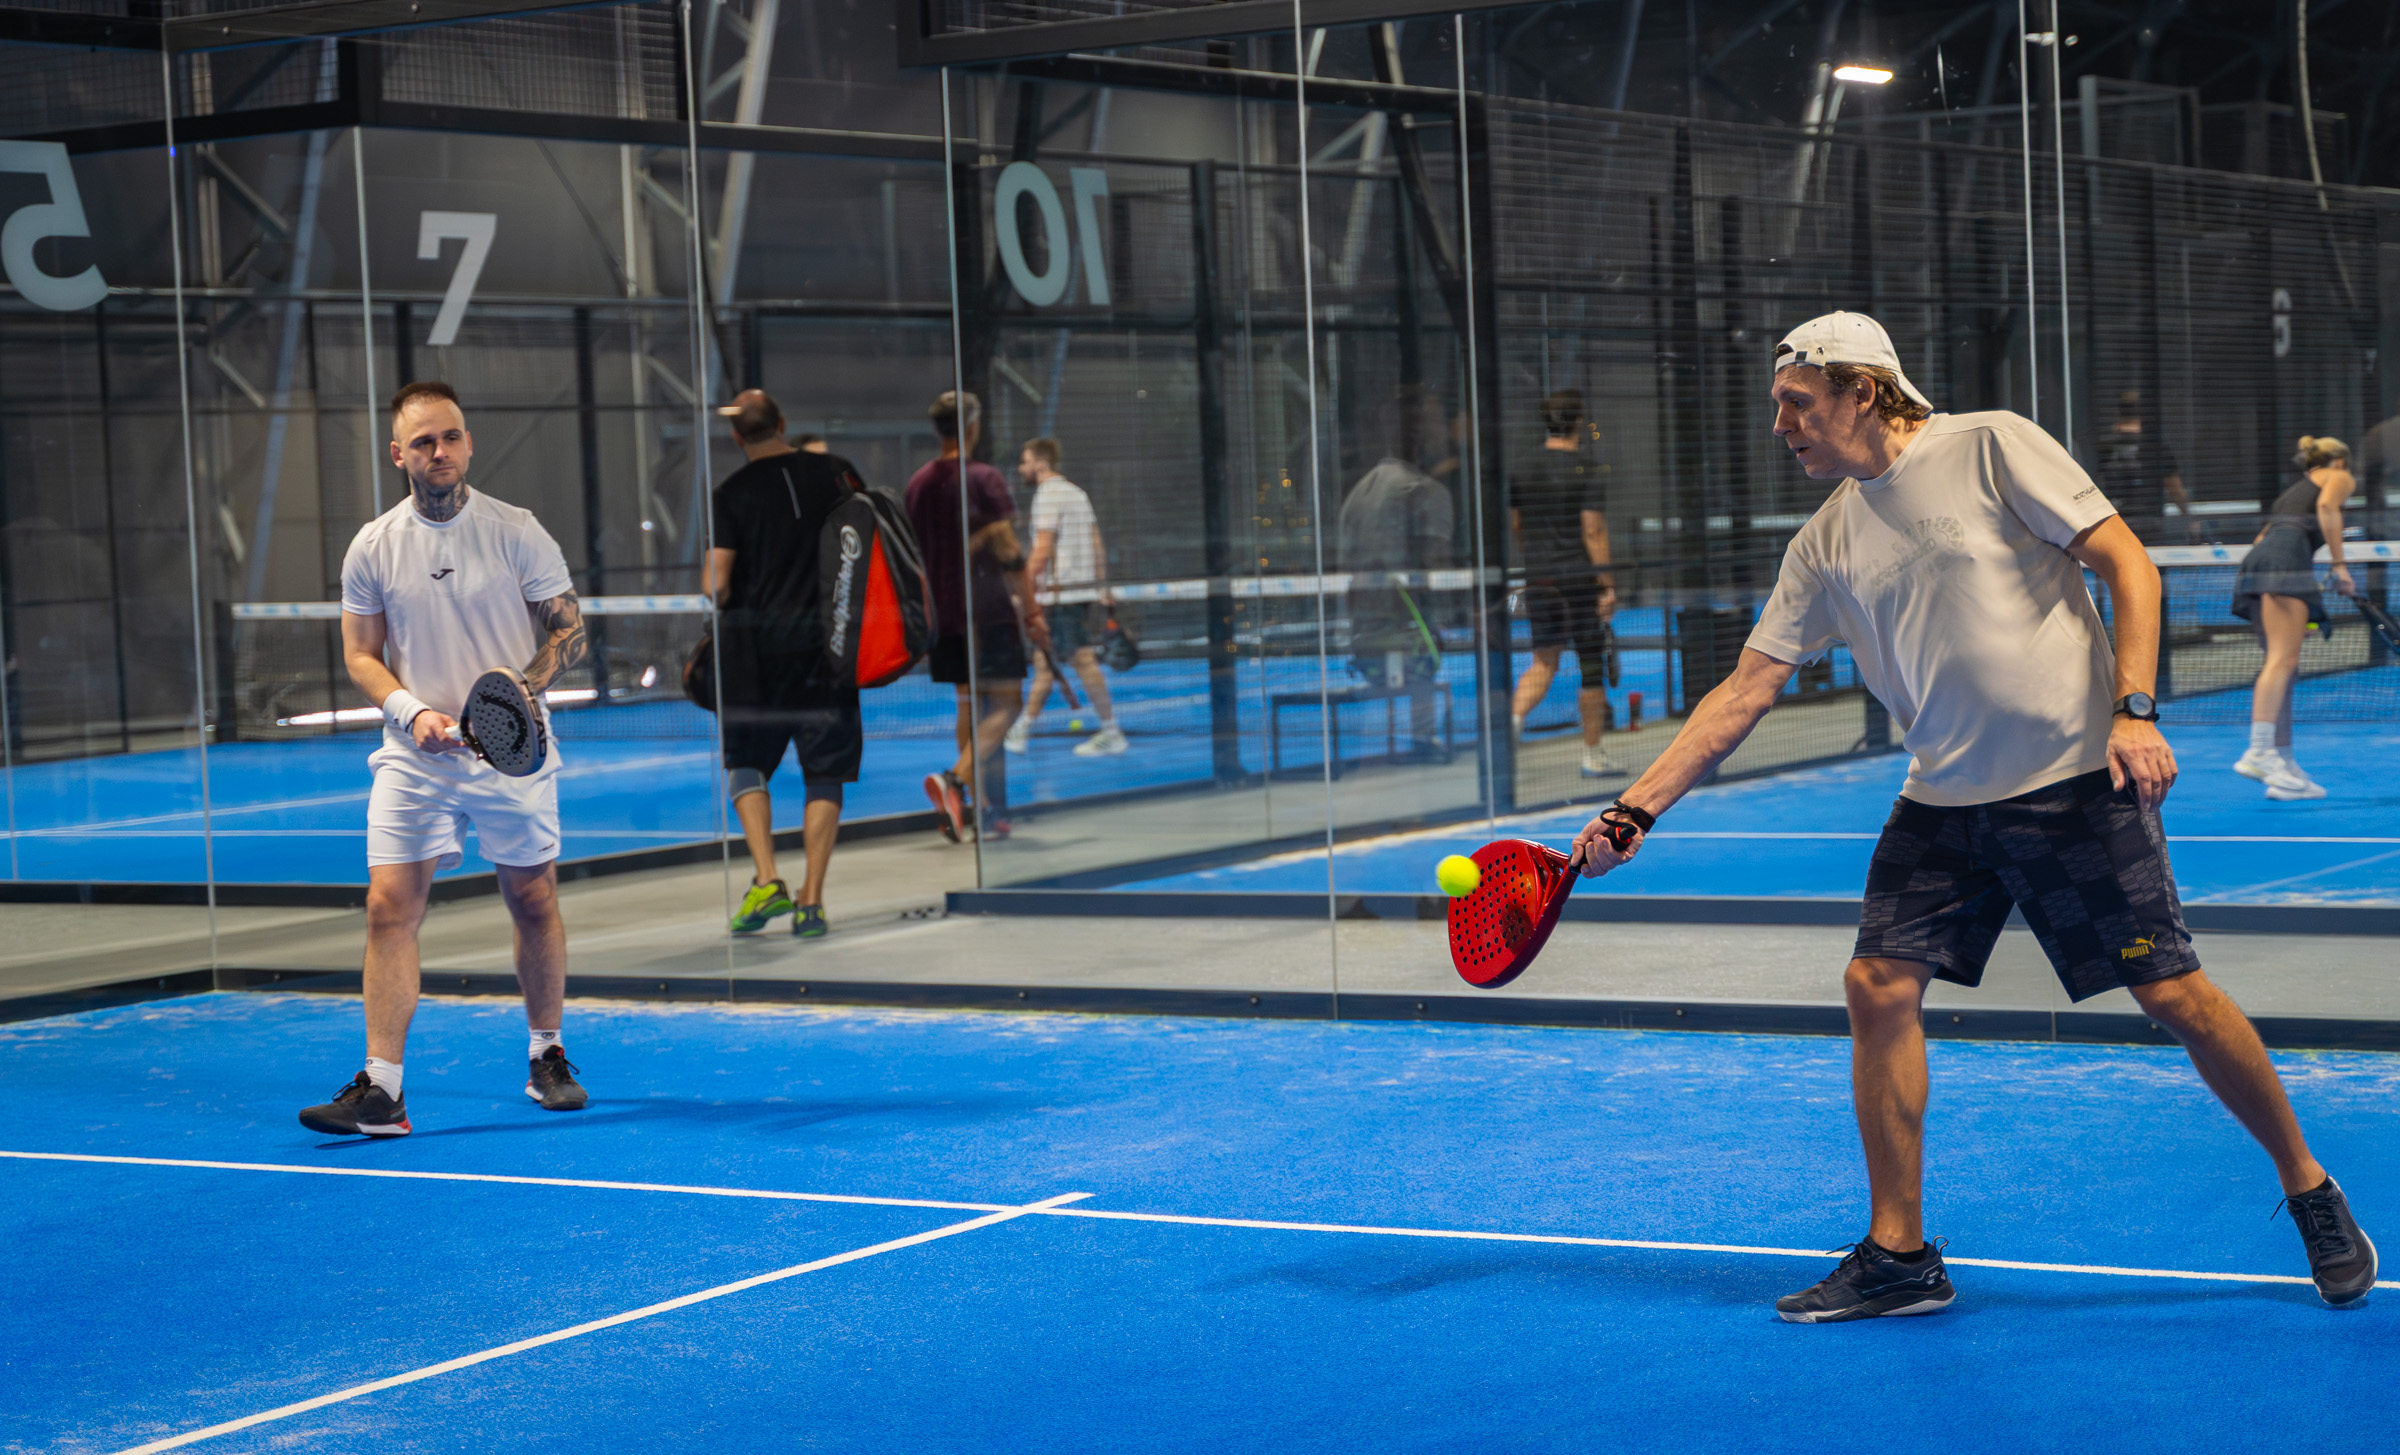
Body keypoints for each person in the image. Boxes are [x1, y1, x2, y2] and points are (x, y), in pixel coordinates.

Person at [1571, 311, 2376, 1319]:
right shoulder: (1823, 542)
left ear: (1862, 388)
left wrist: (2133, 710)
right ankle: (1900, 1253)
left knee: (2173, 995)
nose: (1780, 427)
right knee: (1876, 982)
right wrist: (1633, 811)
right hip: (1943, 801)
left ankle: (2308, 1185)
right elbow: (1744, 689)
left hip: (2075, 779)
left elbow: (2127, 560)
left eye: (1796, 404)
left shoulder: (1990, 445)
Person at [301, 380, 591, 1138]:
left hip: (513, 756)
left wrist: (513, 700)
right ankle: (384, 1091)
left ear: (468, 443)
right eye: (424, 441)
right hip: (413, 755)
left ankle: (548, 1054)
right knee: (388, 907)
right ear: (399, 453)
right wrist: (414, 711)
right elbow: (361, 656)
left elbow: (569, 632)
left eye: (451, 437)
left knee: (533, 899)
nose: (440, 451)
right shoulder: (373, 544)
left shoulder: (517, 530)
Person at [705, 388, 866, 939]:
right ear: (782, 421)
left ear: (735, 435)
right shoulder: (838, 473)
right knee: (825, 772)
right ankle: (812, 903)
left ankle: (768, 878)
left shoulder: (729, 494)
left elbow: (716, 583)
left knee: (745, 764)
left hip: (756, 656)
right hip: (830, 650)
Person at [904, 390, 1047, 841]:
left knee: (968, 702)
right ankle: (957, 780)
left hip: (942, 617)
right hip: (987, 614)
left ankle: (979, 806)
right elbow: (1009, 552)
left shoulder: (917, 484)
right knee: (1007, 703)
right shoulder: (984, 477)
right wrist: (1032, 612)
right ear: (972, 427)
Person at [2231, 435, 2357, 800]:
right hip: (2285, 564)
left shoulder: (2292, 492)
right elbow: (2329, 510)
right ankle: (2258, 752)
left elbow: (2264, 539)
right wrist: (2339, 564)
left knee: (2284, 664)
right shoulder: (2338, 476)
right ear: (2338, 462)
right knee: (2282, 661)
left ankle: (2282, 765)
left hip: (2259, 565)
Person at [1508, 390, 1619, 778]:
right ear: (1577, 422)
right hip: (1578, 582)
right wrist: (1606, 585)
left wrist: (1535, 563)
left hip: (1539, 579)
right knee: (1591, 668)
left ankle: (1510, 733)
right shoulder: (1587, 468)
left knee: (1543, 662)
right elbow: (1593, 528)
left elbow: (1517, 525)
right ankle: (1593, 757)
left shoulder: (1521, 468)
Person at [1338, 385, 1454, 755]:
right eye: (1437, 423)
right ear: (1418, 432)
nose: (1445, 432)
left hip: (1364, 635)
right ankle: (1423, 737)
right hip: (1400, 640)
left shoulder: (1359, 491)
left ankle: (1422, 735)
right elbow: (1435, 566)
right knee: (1427, 646)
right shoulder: (1421, 490)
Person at [1007, 436, 1125, 758]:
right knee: (1045, 664)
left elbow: (1042, 550)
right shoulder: (1077, 493)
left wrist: (1024, 591)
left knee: (1083, 661)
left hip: (1060, 597)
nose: (1021, 468)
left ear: (1040, 463)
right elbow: (1096, 542)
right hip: (1081, 592)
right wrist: (1101, 587)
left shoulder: (1047, 495)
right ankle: (1021, 729)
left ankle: (1112, 732)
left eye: (1025, 461)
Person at [2097, 390, 2193, 542]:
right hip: (2149, 522)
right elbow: (2174, 488)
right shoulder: (2154, 444)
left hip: (2114, 522)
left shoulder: (2105, 444)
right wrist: (2188, 518)